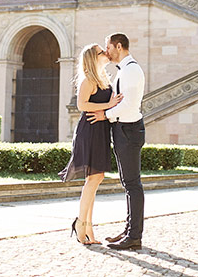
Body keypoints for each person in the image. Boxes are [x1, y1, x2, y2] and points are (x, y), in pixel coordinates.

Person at [59, 43, 123, 245]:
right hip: (90, 131)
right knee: (93, 180)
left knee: (95, 180)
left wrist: (109, 108)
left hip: (100, 130)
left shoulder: (103, 77)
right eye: (100, 51)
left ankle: (87, 227)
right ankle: (81, 224)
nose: (105, 52)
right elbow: (81, 105)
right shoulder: (88, 79)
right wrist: (108, 105)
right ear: (92, 58)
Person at [87, 32, 146, 250]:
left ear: (118, 46)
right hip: (125, 129)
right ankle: (130, 230)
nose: (107, 51)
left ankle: (134, 236)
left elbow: (129, 105)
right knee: (128, 183)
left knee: (132, 184)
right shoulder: (126, 70)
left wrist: (105, 115)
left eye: (108, 47)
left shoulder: (131, 71)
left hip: (128, 129)